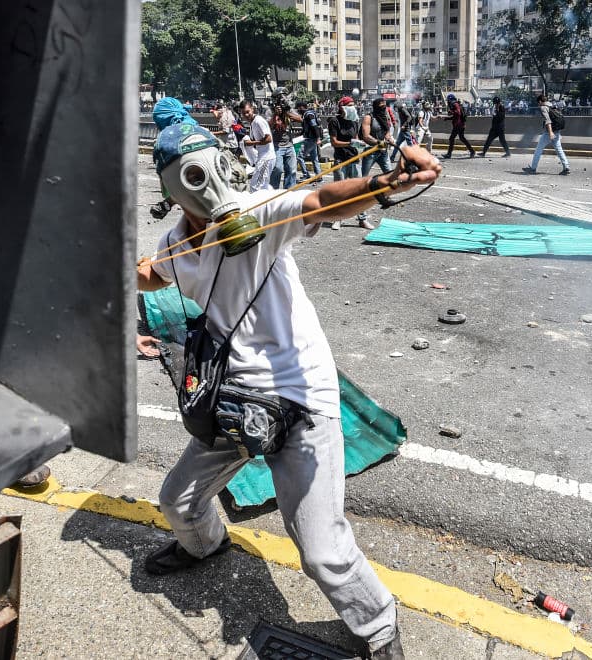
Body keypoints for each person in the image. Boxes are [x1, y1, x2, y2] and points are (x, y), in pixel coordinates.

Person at [139, 124, 441, 660]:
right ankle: (206, 545)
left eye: (210, 167)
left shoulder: (258, 212)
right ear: (172, 190)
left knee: (322, 551)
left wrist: (390, 180)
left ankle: (377, 626)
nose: (209, 184)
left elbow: (323, 200)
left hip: (300, 399)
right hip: (235, 401)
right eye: (191, 177)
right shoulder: (174, 240)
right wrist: (134, 273)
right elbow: (156, 274)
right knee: (178, 502)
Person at [326, 96, 370, 230]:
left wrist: (360, 145)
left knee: (359, 191)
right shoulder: (334, 121)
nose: (352, 107)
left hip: (354, 159)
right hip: (340, 159)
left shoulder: (354, 122)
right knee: (340, 191)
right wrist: (350, 142)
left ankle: (362, 219)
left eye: (353, 105)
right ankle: (338, 218)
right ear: (342, 107)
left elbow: (356, 139)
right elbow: (334, 142)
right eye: (349, 105)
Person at [523, 94, 570, 176]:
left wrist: (550, 132)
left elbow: (548, 121)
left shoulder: (543, 107)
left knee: (538, 150)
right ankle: (566, 167)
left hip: (549, 132)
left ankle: (533, 168)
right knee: (559, 150)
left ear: (540, 101)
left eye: (538, 103)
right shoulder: (552, 105)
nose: (538, 105)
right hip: (557, 131)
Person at [239, 100, 275, 192]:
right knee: (263, 185)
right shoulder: (253, 122)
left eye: (248, 112)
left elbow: (268, 139)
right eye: (244, 113)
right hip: (263, 157)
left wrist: (252, 143)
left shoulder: (258, 121)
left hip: (266, 157)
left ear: (252, 109)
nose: (246, 115)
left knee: (255, 186)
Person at [269, 102, 298, 190]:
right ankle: (273, 191)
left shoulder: (288, 110)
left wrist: (286, 112)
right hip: (277, 145)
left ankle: (289, 192)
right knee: (278, 169)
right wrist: (275, 114)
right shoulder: (270, 111)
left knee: (292, 170)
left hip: (289, 145)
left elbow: (300, 119)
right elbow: (269, 125)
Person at [440, 93, 475, 159]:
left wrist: (451, 112)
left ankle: (449, 154)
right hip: (460, 125)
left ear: (450, 99)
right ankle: (472, 151)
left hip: (458, 125)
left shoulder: (455, 104)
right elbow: (455, 116)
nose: (448, 101)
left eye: (448, 100)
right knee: (462, 138)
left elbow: (458, 113)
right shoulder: (456, 104)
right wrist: (448, 118)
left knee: (452, 138)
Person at [296, 100, 324, 181]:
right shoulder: (310, 113)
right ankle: (319, 176)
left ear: (302, 107)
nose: (298, 110)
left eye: (298, 108)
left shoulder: (308, 115)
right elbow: (307, 128)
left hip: (311, 139)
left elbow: (314, 126)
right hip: (312, 139)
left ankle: (306, 174)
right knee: (314, 158)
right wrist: (300, 134)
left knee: (299, 157)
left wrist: (318, 138)